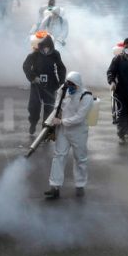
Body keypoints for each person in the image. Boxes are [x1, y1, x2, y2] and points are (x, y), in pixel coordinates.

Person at [44, 71, 94, 200]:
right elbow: (57, 104)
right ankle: (54, 186)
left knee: (80, 158)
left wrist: (62, 121)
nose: (70, 87)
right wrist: (54, 119)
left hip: (78, 132)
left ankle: (80, 185)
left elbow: (79, 117)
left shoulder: (86, 96)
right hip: (63, 130)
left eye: (73, 86)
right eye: (68, 84)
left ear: (78, 85)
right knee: (58, 156)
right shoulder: (64, 89)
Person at [23, 34, 67, 137]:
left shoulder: (55, 54)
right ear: (40, 47)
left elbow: (61, 68)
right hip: (37, 85)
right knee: (34, 107)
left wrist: (61, 83)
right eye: (44, 48)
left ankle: (45, 130)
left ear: (51, 47)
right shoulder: (34, 54)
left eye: (48, 48)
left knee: (49, 108)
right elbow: (26, 66)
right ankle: (33, 123)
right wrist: (33, 77)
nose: (46, 50)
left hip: (51, 84)